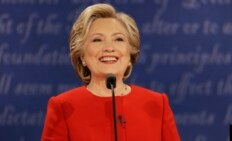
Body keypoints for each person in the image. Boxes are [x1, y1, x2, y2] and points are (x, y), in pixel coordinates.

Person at [41, 3, 181, 141]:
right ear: (82, 56)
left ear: (130, 55)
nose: (109, 48)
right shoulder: (64, 106)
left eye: (118, 39)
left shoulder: (157, 104)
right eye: (97, 40)